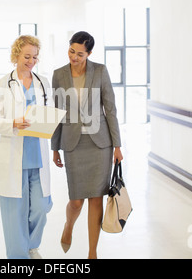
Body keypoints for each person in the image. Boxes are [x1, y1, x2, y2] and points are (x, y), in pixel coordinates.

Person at [51, 31, 123, 259]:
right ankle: (69, 225)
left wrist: (118, 145)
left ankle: (93, 252)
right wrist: (55, 147)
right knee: (76, 201)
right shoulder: (59, 75)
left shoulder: (100, 71)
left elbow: (109, 108)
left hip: (100, 144)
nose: (74, 57)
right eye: (71, 51)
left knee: (96, 198)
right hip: (72, 143)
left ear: (89, 53)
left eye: (80, 54)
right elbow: (57, 113)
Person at [0, 35, 53, 259]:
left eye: (35, 57)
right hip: (13, 156)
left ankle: (31, 245)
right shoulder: (2, 85)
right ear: (16, 55)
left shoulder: (43, 82)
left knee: (41, 208)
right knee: (14, 214)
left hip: (38, 154)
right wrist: (13, 124)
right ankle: (18, 258)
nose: (31, 61)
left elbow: (50, 112)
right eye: (27, 56)